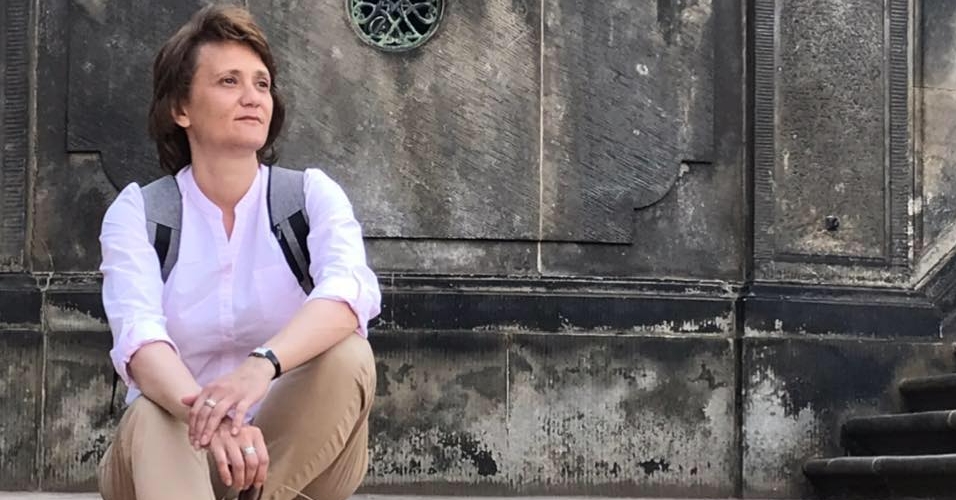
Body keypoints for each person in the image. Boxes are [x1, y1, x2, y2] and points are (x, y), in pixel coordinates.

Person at [96, 4, 381, 500]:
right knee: (152, 413)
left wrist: (260, 366)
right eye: (229, 81)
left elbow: (349, 293)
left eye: (262, 84)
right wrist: (212, 418)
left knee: (349, 354)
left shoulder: (310, 196)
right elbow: (140, 342)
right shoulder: (140, 213)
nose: (252, 97)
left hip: (292, 454)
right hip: (179, 449)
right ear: (180, 109)